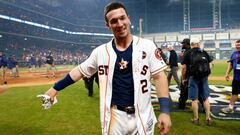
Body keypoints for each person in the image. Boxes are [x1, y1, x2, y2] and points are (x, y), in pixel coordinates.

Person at [37, 2, 171, 135]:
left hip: (143, 113)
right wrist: (55, 88)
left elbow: (159, 77)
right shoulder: (100, 52)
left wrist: (164, 111)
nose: (119, 24)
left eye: (122, 18)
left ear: (128, 18)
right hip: (115, 116)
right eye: (114, 21)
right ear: (108, 25)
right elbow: (79, 71)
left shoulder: (147, 46)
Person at [181, 38, 213, 126]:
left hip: (193, 77)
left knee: (194, 99)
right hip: (204, 78)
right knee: (205, 99)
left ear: (191, 44)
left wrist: (183, 78)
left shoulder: (188, 53)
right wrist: (207, 74)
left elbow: (184, 68)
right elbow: (211, 64)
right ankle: (208, 118)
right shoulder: (204, 52)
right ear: (198, 44)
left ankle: (196, 119)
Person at [221, 39, 240, 113]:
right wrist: (227, 73)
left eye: (239, 44)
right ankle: (230, 107)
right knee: (234, 93)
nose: (237, 46)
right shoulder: (234, 54)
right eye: (236, 44)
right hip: (236, 78)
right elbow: (231, 64)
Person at [178, 38, 191, 109]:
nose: (182, 44)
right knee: (199, 92)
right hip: (194, 75)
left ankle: (181, 106)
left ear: (187, 44)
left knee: (183, 92)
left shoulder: (186, 53)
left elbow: (184, 68)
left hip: (187, 75)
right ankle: (204, 107)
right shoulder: (193, 51)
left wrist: (183, 78)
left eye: (183, 43)